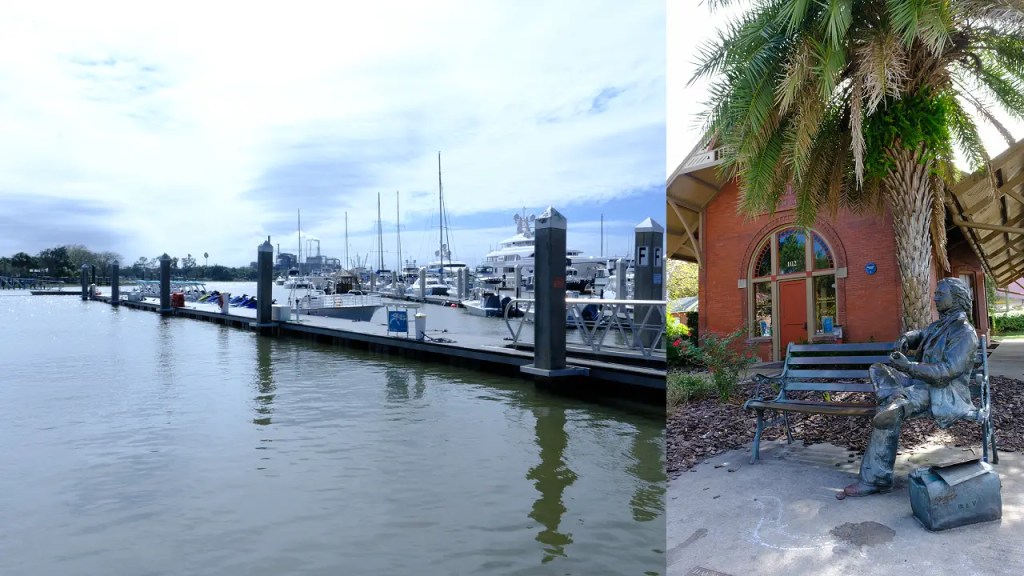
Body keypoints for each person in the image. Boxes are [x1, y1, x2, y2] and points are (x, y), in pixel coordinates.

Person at [841, 277, 978, 498]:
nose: (935, 297)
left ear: (956, 298)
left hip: (941, 391)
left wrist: (909, 367)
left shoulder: (964, 332)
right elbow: (922, 335)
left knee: (890, 412)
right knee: (879, 369)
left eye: (940, 294)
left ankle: (874, 479)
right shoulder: (940, 325)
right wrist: (906, 338)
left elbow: (946, 372)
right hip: (919, 383)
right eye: (936, 293)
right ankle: (897, 398)